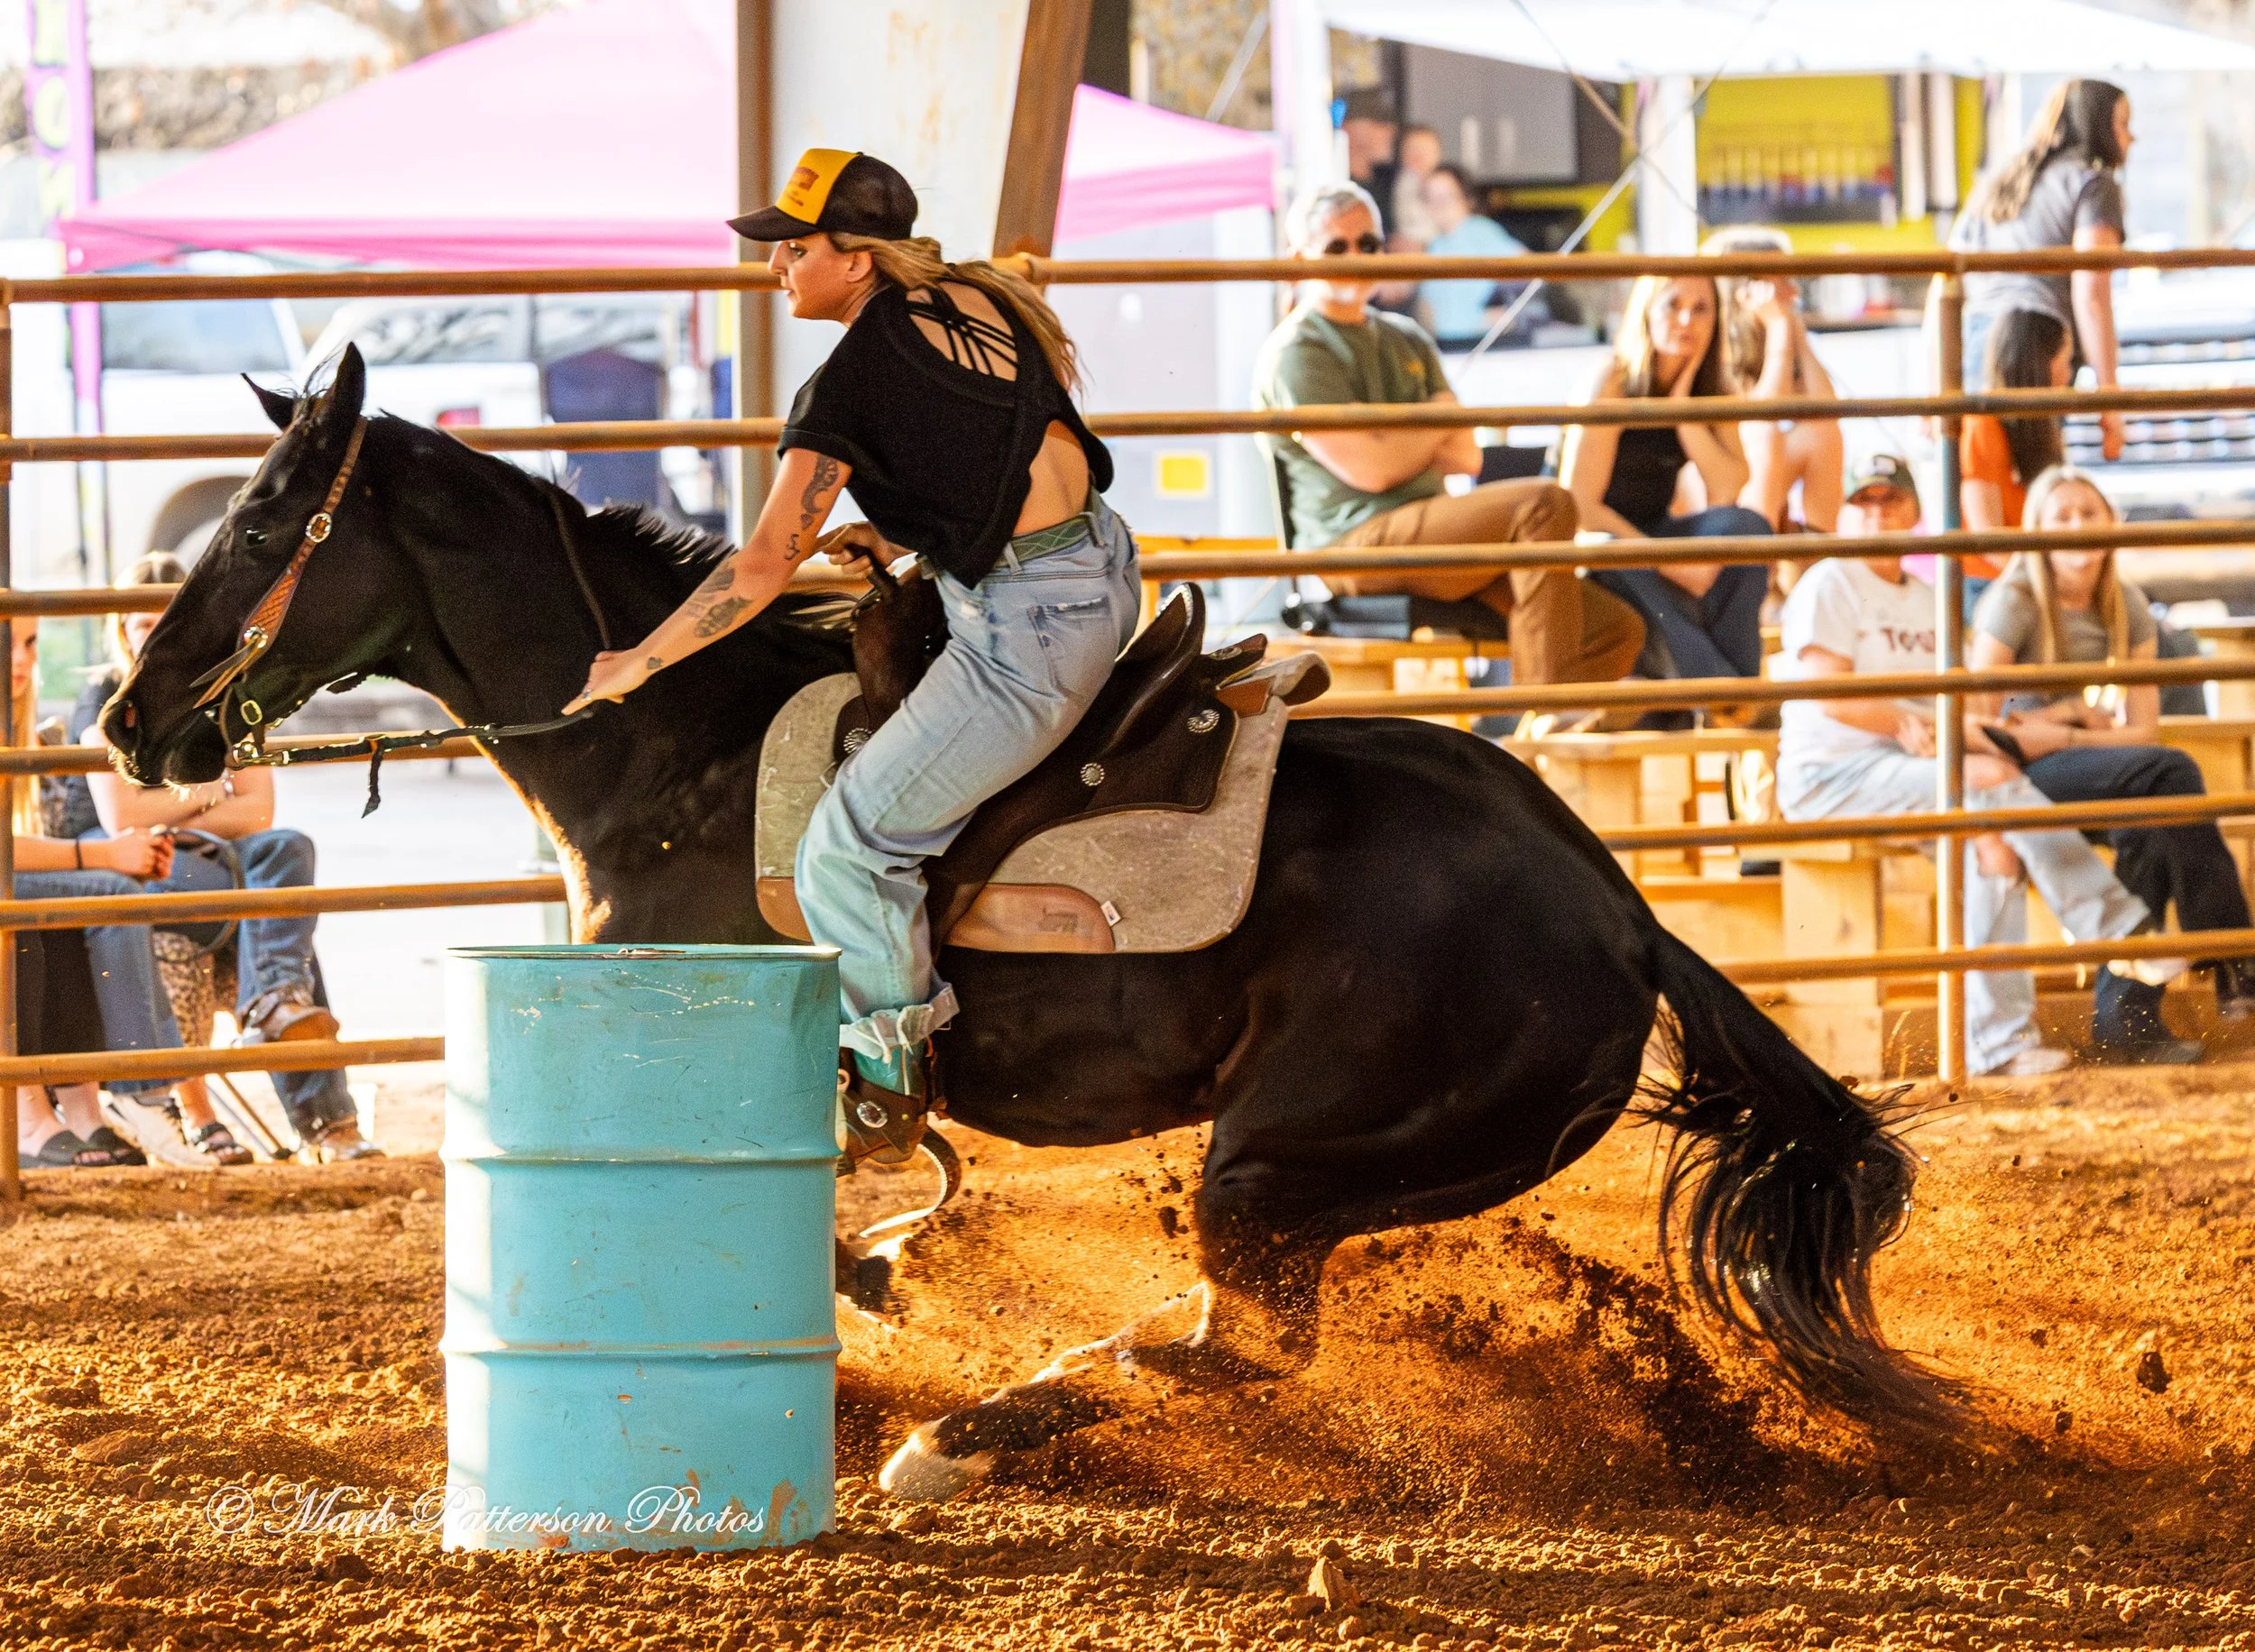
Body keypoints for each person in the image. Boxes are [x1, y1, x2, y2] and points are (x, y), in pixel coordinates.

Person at [562, 149, 1135, 1144]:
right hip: (1097, 568)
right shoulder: (970, 298)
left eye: (793, 247)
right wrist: (912, 534)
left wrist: (634, 664)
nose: (775, 266)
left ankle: (888, 1078)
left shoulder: (845, 386)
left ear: (856, 259)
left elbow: (755, 574)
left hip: (1029, 628)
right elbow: (1006, 450)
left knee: (846, 848)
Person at [1777, 458, 2200, 1074]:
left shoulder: (1929, 601)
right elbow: (1828, 692)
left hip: (1918, 770)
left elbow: (1960, 708)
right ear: (1841, 516)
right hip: (1835, 774)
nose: (1878, 512)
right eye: (1863, 502)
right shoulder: (1829, 582)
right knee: (1995, 783)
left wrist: (2001, 728)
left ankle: (1999, 1045)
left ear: (1914, 513)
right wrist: (1907, 723)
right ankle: (2121, 934)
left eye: (1891, 500)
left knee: (1995, 844)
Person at [1252, 181, 1643, 690]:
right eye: (1336, 246)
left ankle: (1531, 734)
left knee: (1616, 629)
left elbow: (1466, 455)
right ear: (1298, 258)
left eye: (1367, 244)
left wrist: (1402, 441)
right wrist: (1433, 423)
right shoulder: (1298, 352)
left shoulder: (1405, 336)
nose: (1355, 256)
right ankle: (1545, 720)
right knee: (1543, 505)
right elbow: (1373, 471)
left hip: (1430, 536)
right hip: (1352, 545)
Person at [73, 554, 379, 1162]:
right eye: (139, 623)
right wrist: (204, 790)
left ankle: (273, 999)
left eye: (168, 617)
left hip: (232, 860)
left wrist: (169, 800)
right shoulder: (106, 697)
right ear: (120, 632)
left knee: (289, 849)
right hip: (156, 863)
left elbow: (259, 811)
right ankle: (326, 1120)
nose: (154, 633)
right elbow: (123, 817)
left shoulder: (226, 690)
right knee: (277, 917)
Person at [1969, 465, 2255, 1016]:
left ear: (2111, 522)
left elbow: (2142, 728)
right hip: (2013, 773)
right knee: (2171, 773)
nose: (2078, 527)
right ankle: (2234, 960)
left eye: (2089, 513)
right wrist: (2073, 721)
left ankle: (2127, 1026)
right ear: (2038, 531)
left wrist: (2060, 731)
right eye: (2063, 517)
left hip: (2072, 762)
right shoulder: (2017, 599)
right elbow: (1982, 728)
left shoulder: (2125, 601)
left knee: (2153, 818)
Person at [7, 622, 253, 1162]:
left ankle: (85, 1112)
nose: (20, 658)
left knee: (90, 906)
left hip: (38, 871)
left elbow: (261, 807)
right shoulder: (97, 701)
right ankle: (141, 1092)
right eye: (6, 640)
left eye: (30, 643)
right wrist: (102, 855)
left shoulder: (16, 717)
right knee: (110, 894)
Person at [1558, 272, 1774, 695]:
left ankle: (1737, 683)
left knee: (1750, 528)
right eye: (1673, 305)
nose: (1686, 320)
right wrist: (1663, 559)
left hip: (1653, 531)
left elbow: (1728, 490)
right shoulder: (1612, 382)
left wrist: (1682, 411)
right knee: (1617, 555)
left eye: (1701, 309)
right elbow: (1580, 507)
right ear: (1646, 312)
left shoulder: (1712, 391)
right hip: (1596, 541)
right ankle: (1727, 692)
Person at [1940, 78, 2132, 462]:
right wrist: (2110, 398)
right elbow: (2091, 291)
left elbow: (1945, 282)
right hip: (2038, 344)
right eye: (2123, 124)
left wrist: (1938, 385)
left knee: (1985, 472)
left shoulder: (2001, 182)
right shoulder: (2094, 184)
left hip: (1977, 343)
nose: (2131, 138)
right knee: (2036, 473)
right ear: (2099, 127)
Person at [1703, 226, 1842, 533]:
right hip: (1712, 488)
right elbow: (1763, 416)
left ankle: (1821, 564)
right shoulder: (1714, 343)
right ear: (1750, 289)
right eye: (1784, 279)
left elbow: (1826, 409)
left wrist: (1796, 334)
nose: (1795, 291)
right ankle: (1756, 568)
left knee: (1821, 432)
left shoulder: (1773, 331)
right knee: (1765, 438)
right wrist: (1780, 325)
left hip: (1757, 480)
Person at [1962, 308, 2069, 544]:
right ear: (2043, 364)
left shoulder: (2040, 425)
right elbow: (1987, 538)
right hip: (1991, 577)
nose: (2068, 376)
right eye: (2066, 361)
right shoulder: (1983, 421)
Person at [1419, 163, 1533, 350]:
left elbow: (1530, 268)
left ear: (1466, 198)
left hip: (1483, 343)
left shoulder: (1481, 231)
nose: (1438, 206)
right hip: (1446, 346)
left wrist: (1507, 314)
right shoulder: (1435, 246)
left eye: (1446, 197)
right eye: (1430, 198)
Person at [1390, 124, 1443, 251]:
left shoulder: (1448, 184)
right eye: (1411, 149)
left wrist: (1426, 246)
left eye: (1425, 150)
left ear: (1438, 154)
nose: (1418, 155)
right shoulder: (1392, 184)